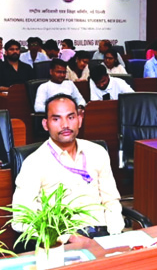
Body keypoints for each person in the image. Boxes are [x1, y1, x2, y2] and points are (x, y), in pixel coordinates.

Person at [12, 94, 123, 236]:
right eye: (56, 119)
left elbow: (111, 200)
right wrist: (61, 240)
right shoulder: (34, 163)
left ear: (80, 120)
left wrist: (115, 236)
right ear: (45, 124)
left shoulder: (97, 152)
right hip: (63, 239)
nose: (65, 125)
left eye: (71, 117)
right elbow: (20, 219)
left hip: (102, 232)